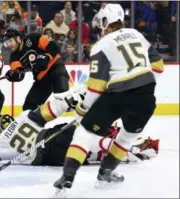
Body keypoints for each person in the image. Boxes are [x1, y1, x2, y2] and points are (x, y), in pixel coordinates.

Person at [53, 3, 164, 195]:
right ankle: (105, 173)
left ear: (105, 22)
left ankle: (67, 177)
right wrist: (141, 82)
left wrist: (82, 108)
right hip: (145, 95)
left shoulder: (101, 45)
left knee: (84, 133)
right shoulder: (137, 35)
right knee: (127, 136)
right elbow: (159, 66)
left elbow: (96, 87)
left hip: (118, 95)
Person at [0, 88, 159, 166]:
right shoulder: (106, 136)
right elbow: (117, 147)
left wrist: (138, 150)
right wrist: (138, 151)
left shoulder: (104, 135)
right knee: (2, 150)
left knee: (2, 150)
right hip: (46, 147)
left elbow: (115, 145)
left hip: (46, 150)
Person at [2, 28, 70, 111]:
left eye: (10, 41)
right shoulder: (14, 57)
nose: (9, 44)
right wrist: (15, 75)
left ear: (18, 38)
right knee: (28, 108)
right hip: (41, 79)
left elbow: (53, 46)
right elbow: (19, 72)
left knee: (64, 98)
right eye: (6, 43)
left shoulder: (33, 38)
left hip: (55, 68)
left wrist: (46, 57)